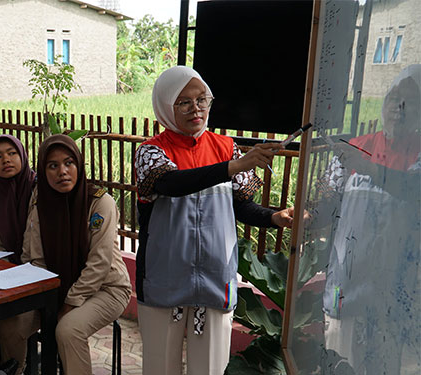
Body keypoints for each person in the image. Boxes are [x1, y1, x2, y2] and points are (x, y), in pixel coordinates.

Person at [133, 66, 294, 374]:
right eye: (184, 102)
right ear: (166, 106)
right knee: (159, 367)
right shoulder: (151, 151)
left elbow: (241, 206)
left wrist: (274, 216)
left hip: (215, 277)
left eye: (202, 99)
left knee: (211, 368)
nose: (196, 108)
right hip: (162, 278)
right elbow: (171, 184)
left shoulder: (225, 148)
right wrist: (230, 167)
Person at [0, 135, 132, 374]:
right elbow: (34, 258)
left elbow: (99, 265)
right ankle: (15, 370)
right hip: (54, 286)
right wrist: (34, 298)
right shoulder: (41, 203)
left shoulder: (100, 203)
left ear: (79, 165)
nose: (62, 171)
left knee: (68, 329)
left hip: (106, 288)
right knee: (9, 320)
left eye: (69, 163)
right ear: (42, 170)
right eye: (53, 165)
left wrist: (69, 303)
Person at [318, 64, 421, 374]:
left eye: (410, 101)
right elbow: (325, 203)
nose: (398, 109)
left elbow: (413, 190)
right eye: (393, 99)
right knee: (339, 362)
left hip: (396, 289)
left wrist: (370, 168)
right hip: (347, 283)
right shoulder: (357, 147)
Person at [0, 134, 36, 261]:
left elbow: (33, 239)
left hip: (35, 263)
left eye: (12, 153)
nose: (5, 160)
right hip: (6, 264)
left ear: (22, 155)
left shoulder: (36, 189)